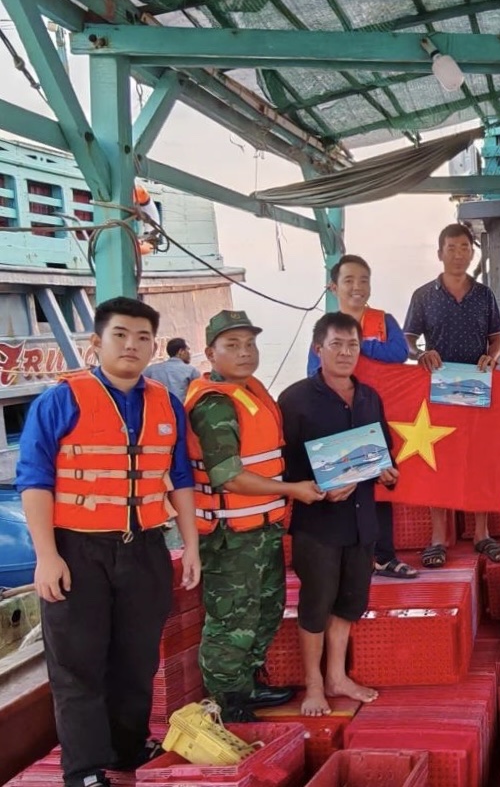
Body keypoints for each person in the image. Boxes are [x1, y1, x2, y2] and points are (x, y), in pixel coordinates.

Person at [16, 296, 201, 787]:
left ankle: (127, 749)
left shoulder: (166, 404)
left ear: (154, 346)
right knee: (78, 665)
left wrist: (191, 546)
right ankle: (83, 770)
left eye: (143, 337)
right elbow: (34, 479)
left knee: (137, 659)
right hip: (77, 551)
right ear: (97, 342)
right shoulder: (59, 401)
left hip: (144, 548)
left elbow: (180, 478)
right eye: (120, 335)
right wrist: (46, 556)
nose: (131, 345)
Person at [185, 310, 324, 722]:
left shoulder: (251, 391)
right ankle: (226, 703)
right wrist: (292, 490)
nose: (245, 352)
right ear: (211, 353)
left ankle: (246, 686)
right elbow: (228, 476)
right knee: (232, 621)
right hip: (231, 538)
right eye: (232, 345)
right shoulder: (214, 405)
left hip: (262, 530)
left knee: (266, 610)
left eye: (249, 344)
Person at [280, 312, 399, 716]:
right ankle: (314, 684)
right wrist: (320, 486)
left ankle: (336, 677)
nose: (346, 353)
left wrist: (387, 471)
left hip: (362, 520)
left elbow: (382, 451)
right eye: (337, 344)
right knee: (316, 603)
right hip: (318, 524)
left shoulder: (368, 397)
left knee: (350, 601)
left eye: (353, 345)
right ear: (319, 349)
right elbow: (283, 466)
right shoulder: (295, 400)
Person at [404, 223, 500, 568]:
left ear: (472, 253)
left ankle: (481, 534)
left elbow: (497, 337)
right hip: (438, 390)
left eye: (465, 247)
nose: (459, 254)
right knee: (439, 460)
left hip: (477, 388)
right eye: (452, 247)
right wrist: (420, 354)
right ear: (440, 253)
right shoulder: (423, 295)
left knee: (479, 460)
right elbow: (407, 338)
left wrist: (492, 357)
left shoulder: (485, 295)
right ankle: (438, 539)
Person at [308, 254, 416, 580]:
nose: (357, 287)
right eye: (349, 280)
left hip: (374, 415)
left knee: (379, 488)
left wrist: (360, 346)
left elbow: (400, 353)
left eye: (364, 280)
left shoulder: (384, 320)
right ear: (333, 287)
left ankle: (383, 557)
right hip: (338, 417)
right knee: (341, 491)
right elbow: (312, 372)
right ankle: (346, 561)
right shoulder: (325, 327)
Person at [143, 337, 200, 402]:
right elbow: (199, 395)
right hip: (181, 408)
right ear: (181, 351)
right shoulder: (191, 371)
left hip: (157, 408)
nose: (190, 353)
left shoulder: (151, 370)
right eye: (188, 349)